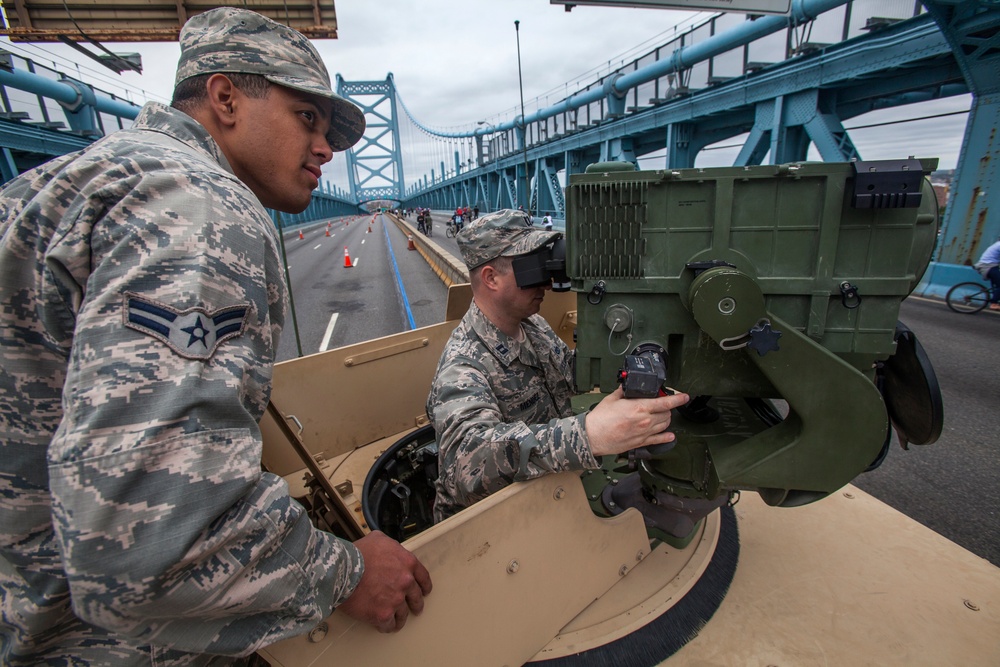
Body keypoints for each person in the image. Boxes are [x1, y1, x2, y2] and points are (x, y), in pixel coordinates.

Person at [0, 8, 430, 666]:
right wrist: (343, 573)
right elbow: (147, 537)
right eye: (306, 118)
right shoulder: (198, 204)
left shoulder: (60, 183)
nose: (327, 149)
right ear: (225, 97)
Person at [426, 209, 689, 522]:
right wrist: (589, 434)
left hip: (547, 485)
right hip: (489, 522)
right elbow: (466, 464)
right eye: (530, 269)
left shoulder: (532, 325)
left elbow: (568, 372)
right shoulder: (463, 363)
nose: (546, 284)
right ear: (491, 278)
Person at [974, 238, 1000, 311]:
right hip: (988, 266)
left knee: (997, 285)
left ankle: (996, 298)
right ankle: (994, 303)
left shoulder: (997, 244)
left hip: (989, 266)